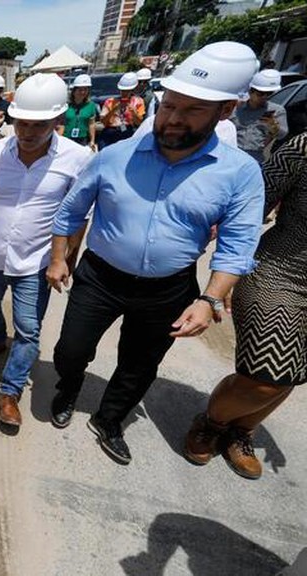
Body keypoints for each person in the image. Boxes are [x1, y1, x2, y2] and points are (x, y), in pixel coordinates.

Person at [46, 41, 265, 465]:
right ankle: (68, 389)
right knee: (71, 350)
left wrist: (209, 298)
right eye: (169, 106)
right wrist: (59, 258)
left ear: (225, 111)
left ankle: (110, 419)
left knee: (140, 364)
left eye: (192, 111)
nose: (174, 119)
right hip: (100, 277)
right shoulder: (115, 156)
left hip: (168, 288)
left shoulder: (239, 173)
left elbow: (239, 244)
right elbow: (71, 211)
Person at [0, 74, 92, 428]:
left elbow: (81, 213)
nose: (27, 132)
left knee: (29, 329)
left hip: (36, 261)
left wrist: (66, 259)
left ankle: (10, 391)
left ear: (57, 121)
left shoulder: (77, 159)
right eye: (22, 123)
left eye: (38, 125)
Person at [184, 132, 306, 480]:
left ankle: (241, 432)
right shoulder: (302, 148)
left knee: (293, 375)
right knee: (267, 377)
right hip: (281, 274)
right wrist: (225, 276)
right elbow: (251, 208)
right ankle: (212, 423)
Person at [231, 68, 288, 164]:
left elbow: (282, 135)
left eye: (269, 94)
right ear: (250, 92)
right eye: (261, 94)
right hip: (232, 153)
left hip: (255, 158)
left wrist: (273, 125)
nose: (265, 97)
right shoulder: (236, 108)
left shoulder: (277, 111)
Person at [98, 72, 146, 148]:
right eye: (122, 90)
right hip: (110, 132)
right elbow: (103, 122)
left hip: (127, 131)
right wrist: (113, 110)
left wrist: (133, 112)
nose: (124, 93)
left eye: (127, 91)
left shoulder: (138, 101)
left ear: (132, 90)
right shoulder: (110, 101)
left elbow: (139, 123)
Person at [59, 74, 99, 151]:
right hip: (66, 139)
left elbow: (91, 124)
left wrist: (92, 140)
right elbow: (61, 124)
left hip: (82, 139)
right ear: (74, 91)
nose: (82, 92)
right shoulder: (65, 105)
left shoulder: (91, 106)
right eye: (80, 90)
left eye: (85, 89)